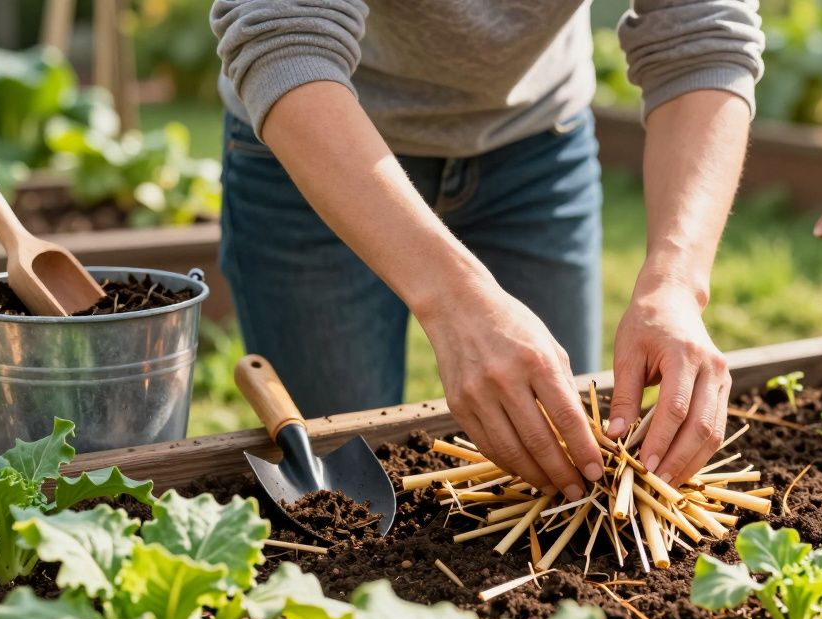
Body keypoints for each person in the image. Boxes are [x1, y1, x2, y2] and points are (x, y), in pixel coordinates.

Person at [211, 0, 764, 501]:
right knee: (337, 485)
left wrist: (676, 283)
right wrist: (453, 300)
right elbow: (284, 34)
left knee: (558, 456)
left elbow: (703, 32)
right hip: (322, 133)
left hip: (535, 141)